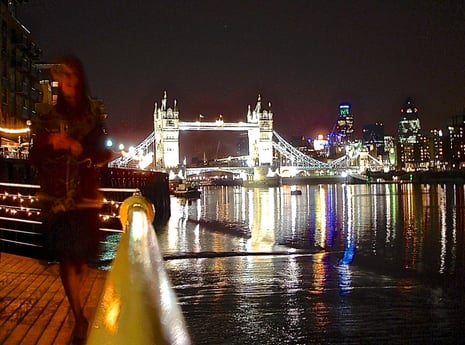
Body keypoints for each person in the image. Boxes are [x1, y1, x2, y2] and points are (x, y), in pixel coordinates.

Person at [29, 55, 112, 345]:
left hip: (85, 196)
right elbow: (34, 156)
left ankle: (78, 312)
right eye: (64, 77)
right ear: (59, 82)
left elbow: (103, 152)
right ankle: (79, 317)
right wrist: (51, 143)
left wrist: (82, 151)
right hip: (58, 198)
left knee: (81, 262)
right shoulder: (48, 118)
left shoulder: (92, 116)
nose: (69, 82)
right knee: (66, 259)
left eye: (73, 76)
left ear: (80, 80)